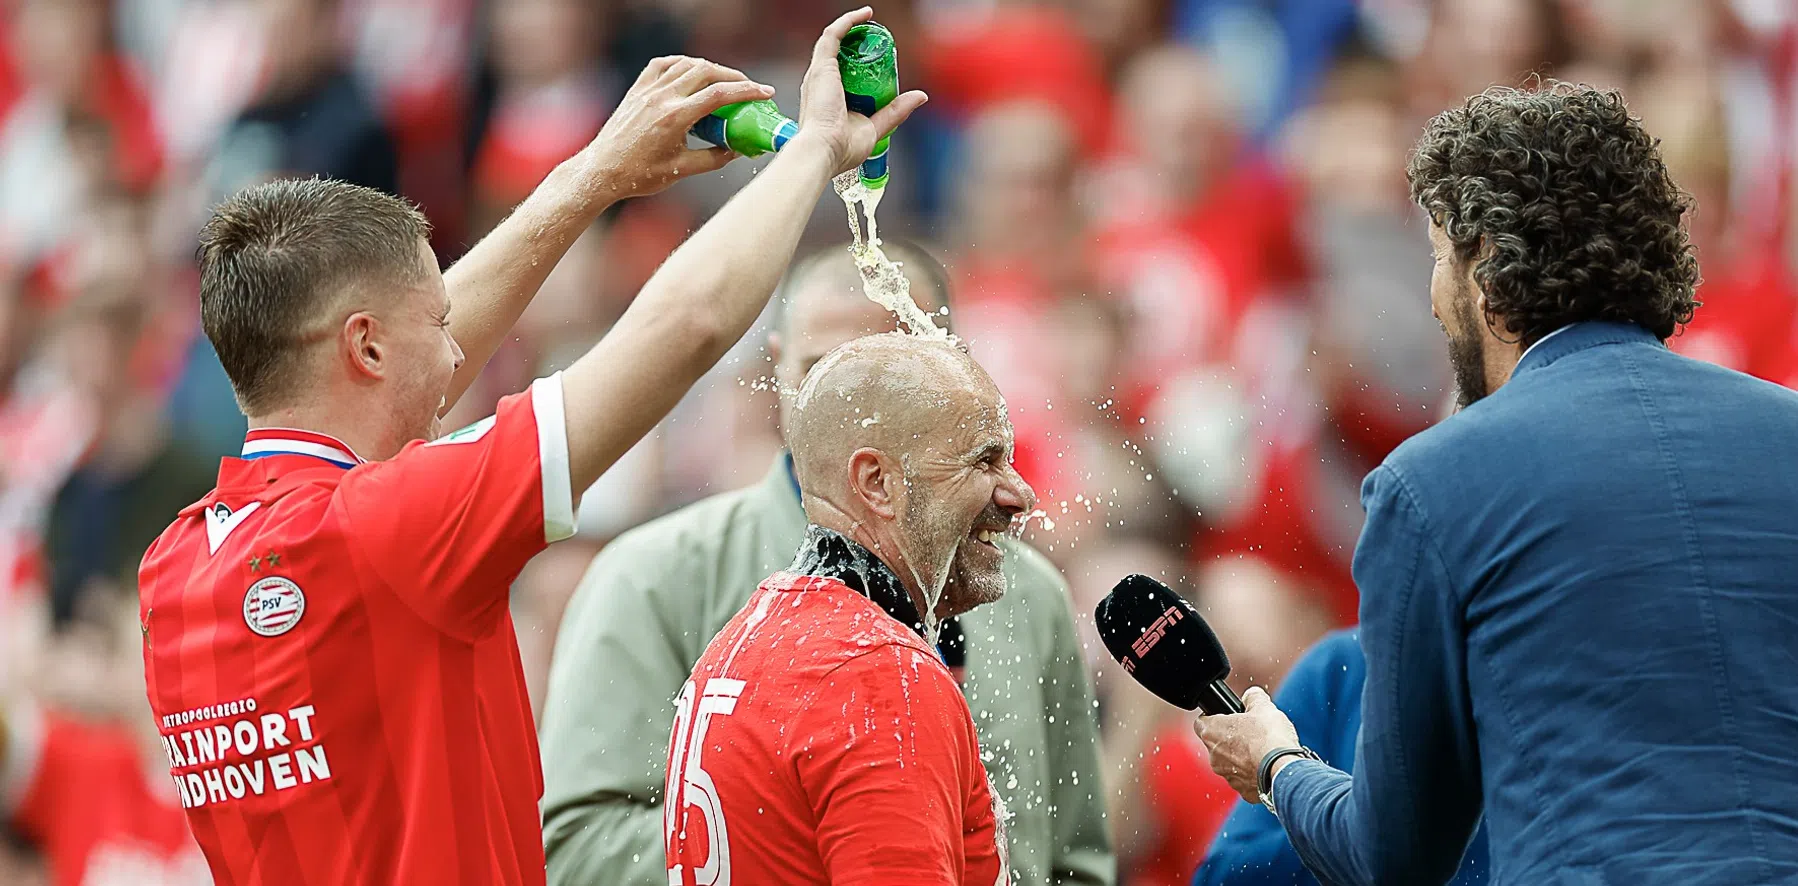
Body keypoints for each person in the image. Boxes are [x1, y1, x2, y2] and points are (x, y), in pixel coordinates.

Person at [136, 10, 927, 884]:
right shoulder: (392, 528)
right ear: (364, 347)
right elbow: (686, 327)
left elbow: (390, 371)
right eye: (436, 325)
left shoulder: (172, 570)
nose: (454, 351)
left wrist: (595, 177)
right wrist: (815, 148)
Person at [1193, 82, 1798, 885]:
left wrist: (1277, 765)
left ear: (1486, 273)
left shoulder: (1431, 480)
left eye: (1440, 257)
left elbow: (1393, 856)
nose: (1435, 298)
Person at [540, 246, 1113, 886]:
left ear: (957, 370)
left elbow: (1074, 862)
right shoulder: (653, 576)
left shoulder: (1030, 593)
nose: (860, 399)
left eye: (898, 374)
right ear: (778, 365)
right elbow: (575, 851)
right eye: (823, 370)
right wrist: (802, 829)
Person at [663, 334, 1032, 885]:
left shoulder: (747, 638)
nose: (1019, 494)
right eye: (983, 461)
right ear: (877, 483)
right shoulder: (881, 674)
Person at [1191, 629, 1488, 885]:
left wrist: (1289, 779)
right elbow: (1224, 875)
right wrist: (1332, 817)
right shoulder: (1337, 668)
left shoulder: (1510, 683)